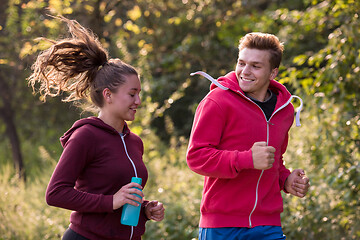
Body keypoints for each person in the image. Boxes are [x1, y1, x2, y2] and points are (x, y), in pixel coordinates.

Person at [28, 16, 164, 240]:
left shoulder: (134, 142)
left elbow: (121, 194)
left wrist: (146, 209)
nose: (138, 101)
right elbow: (55, 193)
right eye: (132, 94)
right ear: (108, 95)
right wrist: (111, 202)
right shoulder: (86, 136)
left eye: (139, 93)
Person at [186, 32, 310, 240]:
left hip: (268, 224)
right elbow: (196, 157)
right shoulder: (217, 101)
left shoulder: (285, 110)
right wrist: (246, 159)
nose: (245, 71)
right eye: (241, 63)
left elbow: (274, 161)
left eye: (255, 66)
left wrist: (286, 180)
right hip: (222, 225)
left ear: (273, 73)